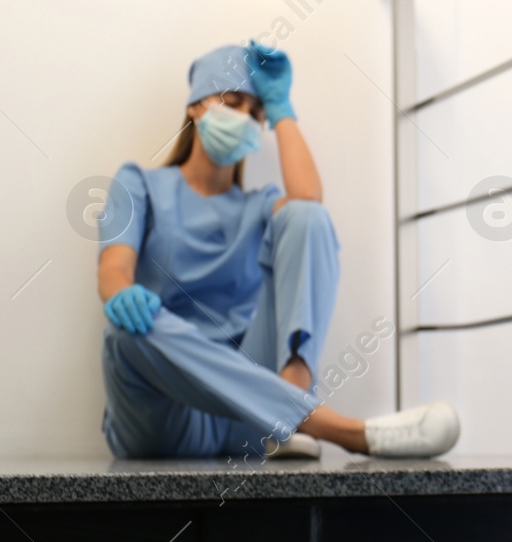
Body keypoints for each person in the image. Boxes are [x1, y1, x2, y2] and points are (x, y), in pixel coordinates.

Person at [95, 42, 458, 460]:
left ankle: (289, 401)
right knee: (124, 332)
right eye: (233, 103)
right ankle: (341, 430)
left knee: (306, 217)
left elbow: (308, 203)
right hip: (164, 416)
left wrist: (281, 106)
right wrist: (122, 293)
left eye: (256, 114)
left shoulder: (260, 207)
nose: (245, 119)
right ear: (195, 106)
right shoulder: (138, 182)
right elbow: (113, 268)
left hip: (248, 422)